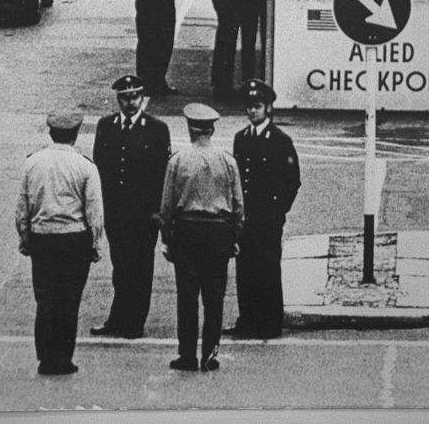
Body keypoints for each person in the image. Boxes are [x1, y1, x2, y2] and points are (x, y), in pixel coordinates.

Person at [15, 110, 105, 376]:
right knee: (69, 301)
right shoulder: (85, 166)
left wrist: (25, 238)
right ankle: (63, 358)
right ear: (75, 135)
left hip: (43, 237)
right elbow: (94, 211)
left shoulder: (33, 163)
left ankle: (45, 357)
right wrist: (96, 245)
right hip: (74, 239)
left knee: (45, 300)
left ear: (51, 132)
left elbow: (22, 208)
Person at [158, 103, 244, 372]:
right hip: (218, 231)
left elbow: (166, 206)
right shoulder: (228, 161)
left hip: (187, 230)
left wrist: (167, 238)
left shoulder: (178, 161)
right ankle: (210, 354)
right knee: (214, 298)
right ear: (212, 130)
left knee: (187, 297)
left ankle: (187, 355)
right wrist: (234, 236)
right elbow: (238, 205)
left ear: (190, 128)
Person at [90, 75, 172, 340]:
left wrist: (158, 211)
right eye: (125, 98)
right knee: (120, 267)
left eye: (135, 97)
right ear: (118, 100)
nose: (130, 103)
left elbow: (162, 173)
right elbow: (100, 168)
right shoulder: (106, 126)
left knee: (141, 268)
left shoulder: (157, 129)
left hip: (143, 214)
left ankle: (135, 322)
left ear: (142, 97)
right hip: (116, 213)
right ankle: (117, 318)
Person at [224, 79, 300, 340]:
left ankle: (269, 321)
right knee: (245, 268)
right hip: (246, 217)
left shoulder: (280, 140)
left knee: (267, 268)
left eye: (257, 106)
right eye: (249, 106)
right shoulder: (241, 138)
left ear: (268, 108)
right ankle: (247, 319)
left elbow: (292, 180)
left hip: (268, 217)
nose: (252, 111)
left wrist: (278, 211)